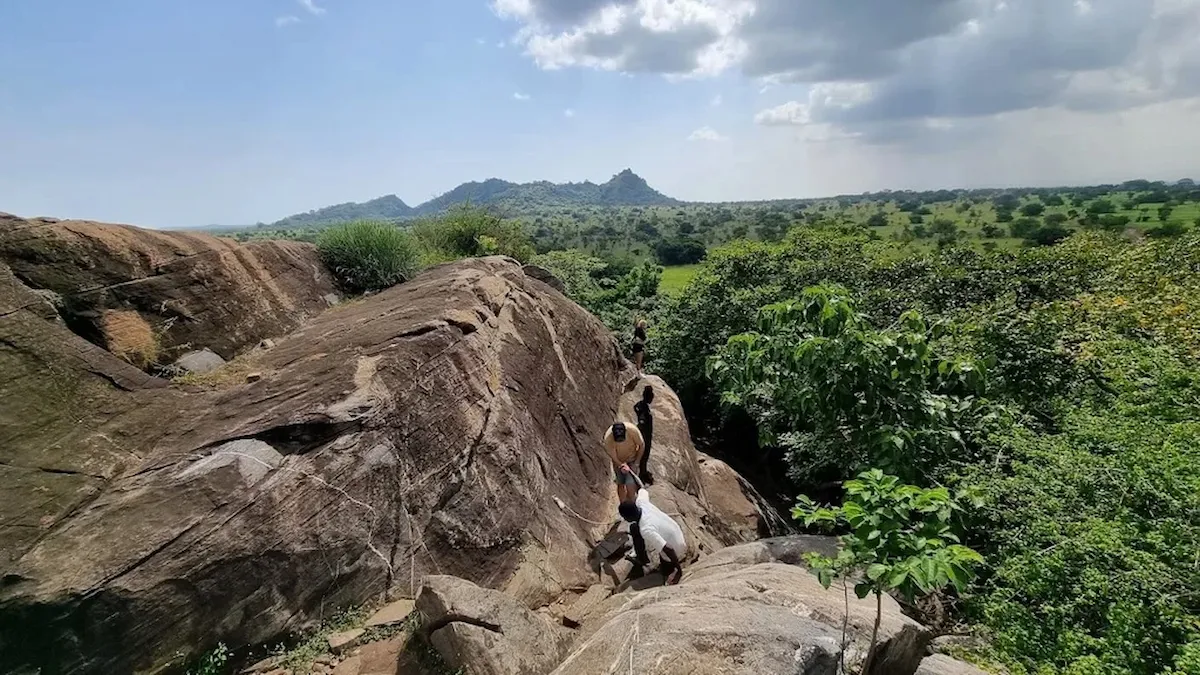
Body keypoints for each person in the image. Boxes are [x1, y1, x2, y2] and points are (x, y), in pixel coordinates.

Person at [619, 488, 686, 585]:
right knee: (634, 527)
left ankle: (668, 568)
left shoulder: (646, 529)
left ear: (629, 517)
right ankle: (642, 558)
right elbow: (642, 490)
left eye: (625, 518)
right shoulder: (641, 503)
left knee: (664, 570)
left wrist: (678, 571)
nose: (625, 519)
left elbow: (669, 548)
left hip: (676, 546)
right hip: (676, 530)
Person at [603, 421, 644, 504]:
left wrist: (637, 462)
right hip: (618, 460)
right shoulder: (608, 439)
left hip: (632, 458)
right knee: (621, 483)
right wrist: (621, 465)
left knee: (630, 484)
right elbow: (613, 456)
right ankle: (623, 505)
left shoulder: (632, 430)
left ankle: (632, 504)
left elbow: (641, 445)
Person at [632, 385, 655, 485]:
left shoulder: (642, 405)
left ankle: (643, 473)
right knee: (643, 456)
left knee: (644, 456)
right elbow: (642, 422)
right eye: (651, 396)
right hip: (644, 435)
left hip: (646, 434)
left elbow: (635, 407)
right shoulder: (644, 409)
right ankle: (640, 476)